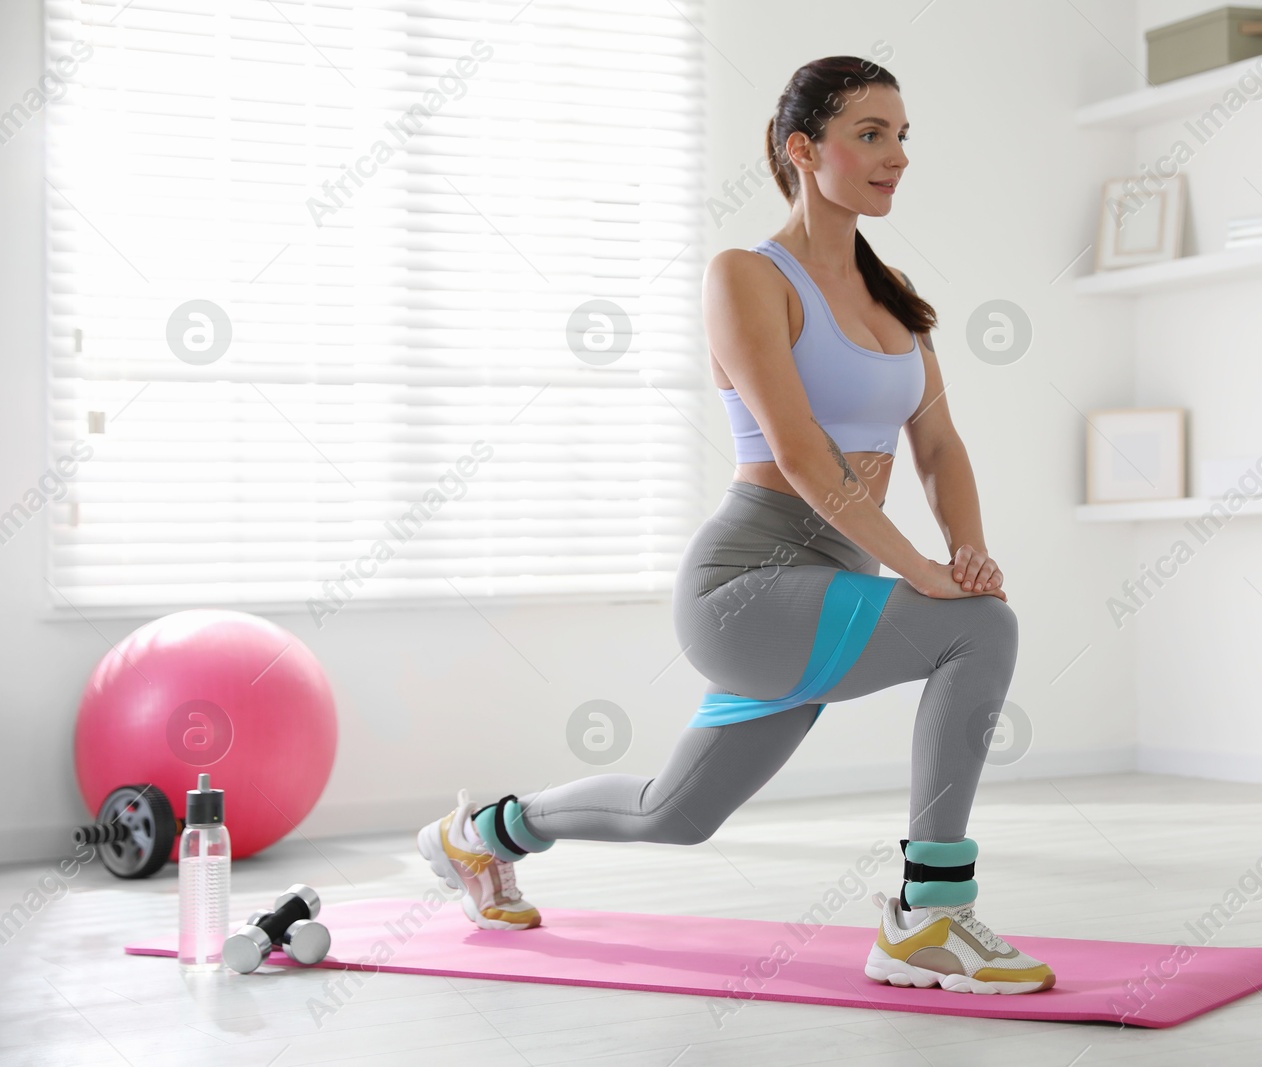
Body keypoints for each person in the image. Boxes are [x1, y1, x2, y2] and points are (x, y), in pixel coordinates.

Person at [417, 55, 1054, 995]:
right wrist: (921, 568)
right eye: (870, 135)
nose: (896, 156)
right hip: (749, 585)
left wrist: (967, 548)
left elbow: (939, 447)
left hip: (828, 580)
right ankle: (928, 915)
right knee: (980, 628)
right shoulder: (747, 276)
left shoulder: (897, 296)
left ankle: (477, 834)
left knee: (672, 812)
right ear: (804, 149)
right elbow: (800, 452)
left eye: (903, 135)